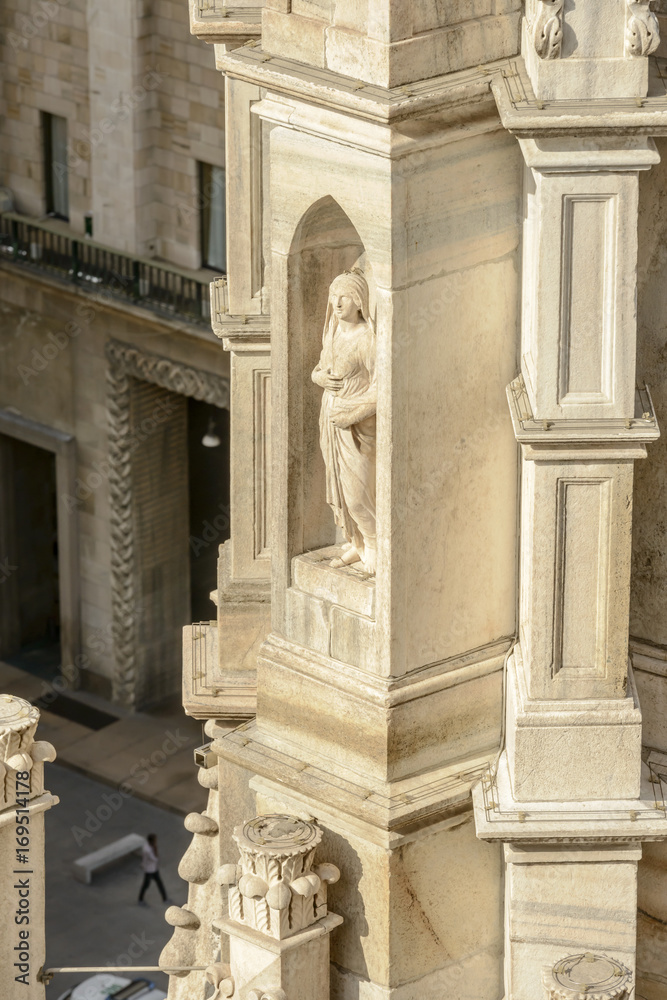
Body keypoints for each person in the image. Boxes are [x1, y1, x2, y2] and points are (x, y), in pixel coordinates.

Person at [311, 268, 377, 575]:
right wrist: (321, 377)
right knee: (337, 486)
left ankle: (376, 547)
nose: (337, 304)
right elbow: (318, 370)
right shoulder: (334, 332)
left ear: (360, 301)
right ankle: (358, 542)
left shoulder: (368, 339)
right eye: (333, 296)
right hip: (331, 419)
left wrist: (353, 412)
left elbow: (382, 387)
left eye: (345, 297)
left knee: (357, 493)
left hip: (357, 427)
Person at [137, 833, 169, 905]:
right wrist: (155, 849)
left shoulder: (149, 847)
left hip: (154, 869)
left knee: (159, 884)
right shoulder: (147, 850)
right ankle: (140, 900)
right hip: (149, 871)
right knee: (146, 885)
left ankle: (165, 899)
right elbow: (154, 859)